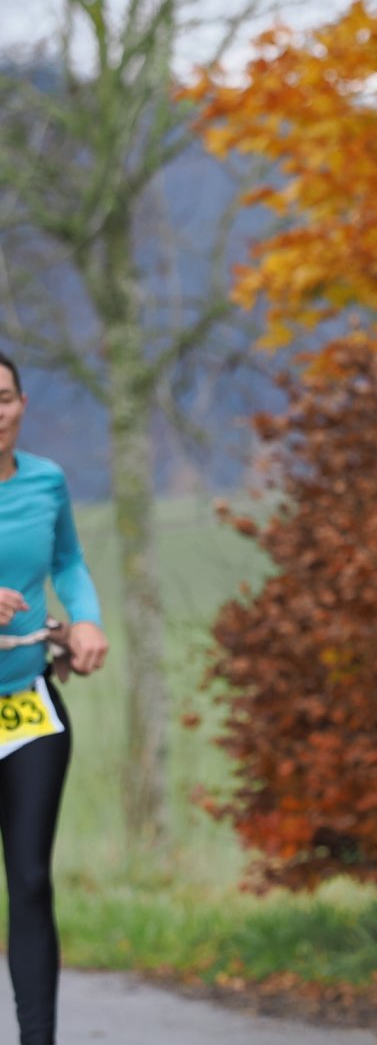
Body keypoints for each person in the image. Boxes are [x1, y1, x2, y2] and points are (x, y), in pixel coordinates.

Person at [0, 350, 108, 1045]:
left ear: (22, 404)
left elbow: (68, 559)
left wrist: (86, 617)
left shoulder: (46, 481)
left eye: (3, 398)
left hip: (25, 702)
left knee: (32, 880)